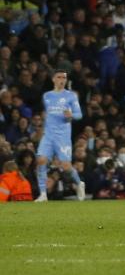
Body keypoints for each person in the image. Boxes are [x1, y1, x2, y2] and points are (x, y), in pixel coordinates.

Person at [35, 69, 83, 202]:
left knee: (66, 166)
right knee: (41, 161)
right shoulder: (47, 96)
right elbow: (48, 114)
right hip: (48, 135)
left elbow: (80, 115)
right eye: (59, 77)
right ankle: (43, 194)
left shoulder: (71, 96)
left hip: (62, 136)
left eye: (64, 78)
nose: (62, 80)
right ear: (53, 79)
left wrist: (71, 115)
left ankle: (79, 183)